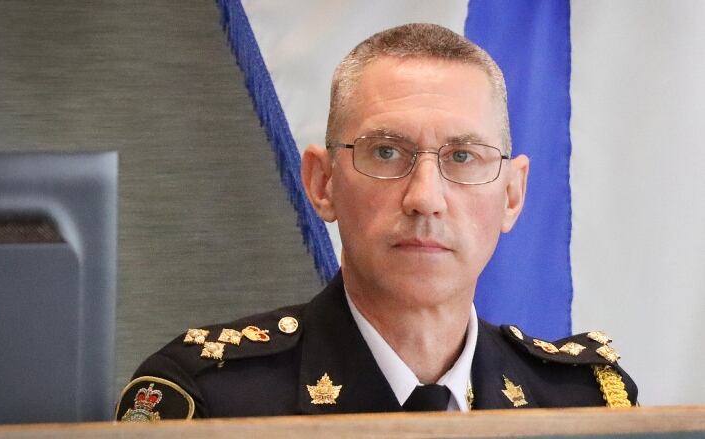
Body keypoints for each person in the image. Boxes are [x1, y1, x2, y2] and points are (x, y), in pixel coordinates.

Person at [116, 23, 637, 421]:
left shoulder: (584, 406)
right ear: (323, 183)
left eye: (462, 156)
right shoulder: (212, 400)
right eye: (386, 152)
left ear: (512, 195)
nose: (425, 198)